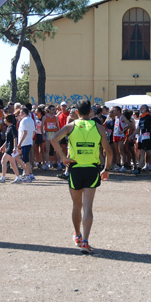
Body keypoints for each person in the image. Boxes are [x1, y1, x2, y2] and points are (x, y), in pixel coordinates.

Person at [51, 100, 112, 254]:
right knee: (88, 207)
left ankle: (77, 235)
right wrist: (106, 169)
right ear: (91, 112)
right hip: (92, 169)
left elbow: (53, 139)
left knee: (76, 205)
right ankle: (85, 241)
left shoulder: (71, 126)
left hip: (75, 168)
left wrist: (63, 158)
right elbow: (109, 152)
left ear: (77, 112)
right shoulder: (98, 127)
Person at [0, 114, 23, 184]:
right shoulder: (9, 127)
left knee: (3, 161)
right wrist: (3, 146)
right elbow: (8, 139)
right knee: (12, 163)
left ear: (7, 120)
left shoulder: (12, 127)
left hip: (11, 148)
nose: (4, 120)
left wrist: (15, 147)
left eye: (5, 119)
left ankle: (3, 177)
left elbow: (15, 137)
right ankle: (18, 177)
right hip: (9, 147)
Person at [15, 107, 35, 182]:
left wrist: (19, 143)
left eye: (20, 113)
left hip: (24, 142)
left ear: (23, 113)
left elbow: (24, 132)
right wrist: (30, 138)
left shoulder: (23, 121)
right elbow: (33, 132)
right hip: (29, 141)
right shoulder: (31, 120)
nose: (19, 115)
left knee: (25, 160)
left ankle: (27, 176)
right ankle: (30, 174)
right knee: (27, 159)